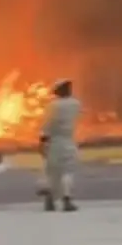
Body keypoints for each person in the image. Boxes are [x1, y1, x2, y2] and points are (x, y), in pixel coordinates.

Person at [38, 79, 81, 212]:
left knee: (52, 172)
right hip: (69, 140)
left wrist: (42, 141)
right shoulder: (76, 104)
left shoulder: (53, 106)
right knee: (68, 172)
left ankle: (50, 200)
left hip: (55, 142)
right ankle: (67, 199)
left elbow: (47, 124)